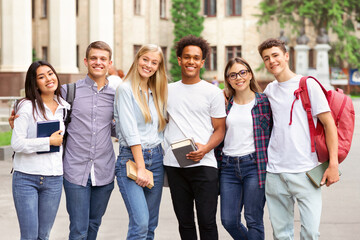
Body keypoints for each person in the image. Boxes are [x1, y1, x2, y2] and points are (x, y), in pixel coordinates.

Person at [258, 38, 339, 239]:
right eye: (266, 58)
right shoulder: (270, 90)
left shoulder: (308, 84)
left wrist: (333, 164)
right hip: (275, 172)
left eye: (275, 55)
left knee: (310, 233)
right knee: (281, 234)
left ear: (286, 56)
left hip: (306, 172)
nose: (271, 61)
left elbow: (329, 124)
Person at [163, 35, 226, 240]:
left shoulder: (213, 92)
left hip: (205, 165)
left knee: (207, 222)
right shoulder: (167, 91)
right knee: (185, 223)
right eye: (187, 57)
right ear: (179, 59)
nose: (191, 61)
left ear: (202, 62)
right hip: (175, 165)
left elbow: (220, 129)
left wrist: (205, 149)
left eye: (196, 58)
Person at [114, 44, 168, 239]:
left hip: (157, 158)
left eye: (154, 62)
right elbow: (130, 132)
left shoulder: (157, 91)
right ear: (137, 59)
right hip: (132, 159)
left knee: (151, 225)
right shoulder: (125, 89)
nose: (148, 65)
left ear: (158, 67)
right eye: (145, 59)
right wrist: (141, 167)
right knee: (140, 223)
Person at [11, 61, 70, 239]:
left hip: (53, 179)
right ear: (34, 83)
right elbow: (17, 143)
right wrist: (48, 142)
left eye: (50, 73)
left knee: (43, 235)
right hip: (26, 178)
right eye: (41, 77)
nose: (48, 79)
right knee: (29, 236)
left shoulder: (64, 107)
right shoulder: (26, 106)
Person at [219, 57, 272, 240]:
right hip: (228, 167)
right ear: (228, 79)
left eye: (242, 72)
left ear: (249, 74)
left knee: (253, 219)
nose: (238, 78)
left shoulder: (265, 102)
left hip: (255, 166)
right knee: (229, 220)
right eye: (232, 75)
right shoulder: (224, 103)